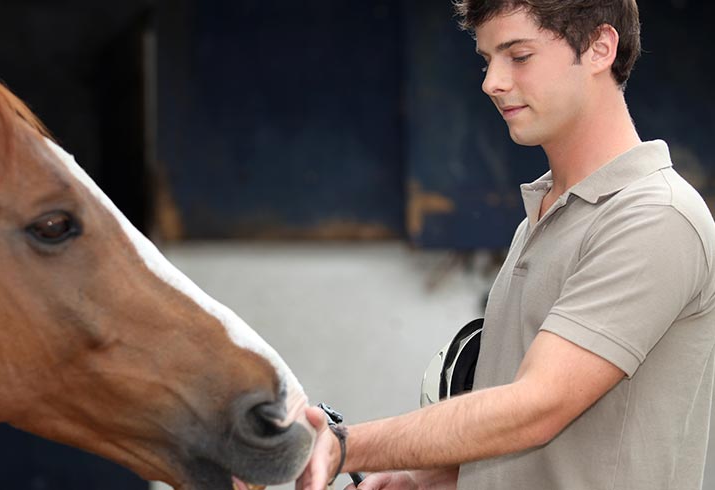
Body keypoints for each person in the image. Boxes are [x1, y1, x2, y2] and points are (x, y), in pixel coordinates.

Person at [297, 1, 715, 489]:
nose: (491, 81)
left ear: (601, 47)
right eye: (486, 58)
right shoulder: (540, 219)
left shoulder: (653, 217)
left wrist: (346, 446)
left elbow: (538, 406)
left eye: (518, 55)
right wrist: (431, 479)